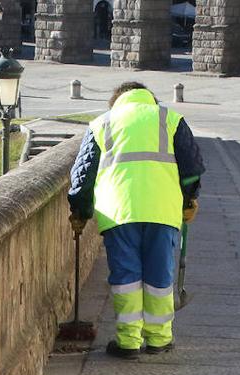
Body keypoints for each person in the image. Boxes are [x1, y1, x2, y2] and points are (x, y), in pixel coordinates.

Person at [67, 82, 204, 358]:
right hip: (163, 210)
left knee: (126, 276)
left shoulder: (101, 124)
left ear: (116, 102)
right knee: (160, 275)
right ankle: (159, 338)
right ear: (149, 100)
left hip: (118, 212)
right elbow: (191, 170)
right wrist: (189, 199)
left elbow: (82, 179)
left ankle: (128, 342)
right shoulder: (170, 119)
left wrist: (80, 212)